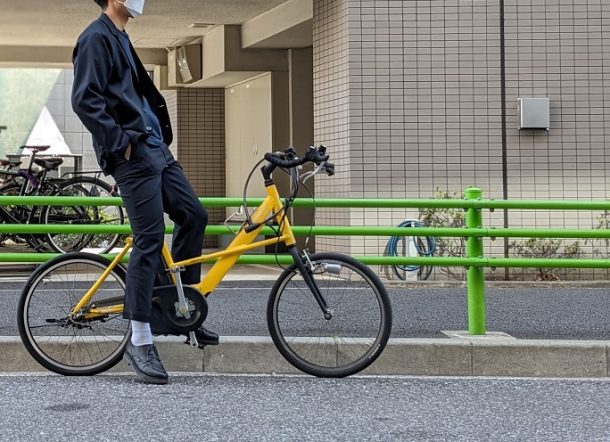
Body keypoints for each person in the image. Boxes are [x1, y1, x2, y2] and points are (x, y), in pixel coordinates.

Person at [71, 0, 218, 385]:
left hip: (155, 148)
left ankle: (178, 306)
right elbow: (85, 99)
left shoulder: (121, 36)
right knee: (150, 238)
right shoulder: (94, 38)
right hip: (132, 154)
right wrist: (121, 144)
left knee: (194, 215)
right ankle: (140, 338)